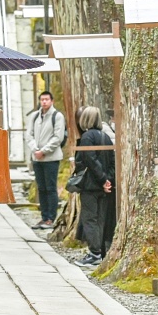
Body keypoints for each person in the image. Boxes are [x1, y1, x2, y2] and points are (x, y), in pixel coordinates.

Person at [71, 107, 115, 268]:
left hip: (91, 185)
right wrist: (108, 180)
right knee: (100, 219)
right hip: (104, 187)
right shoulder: (106, 137)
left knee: (89, 219)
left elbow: (90, 160)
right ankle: (100, 250)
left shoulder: (87, 137)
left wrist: (103, 179)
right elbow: (112, 162)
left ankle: (94, 253)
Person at [25, 91, 66, 229]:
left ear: (52, 101)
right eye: (42, 99)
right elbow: (29, 135)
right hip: (37, 158)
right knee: (41, 188)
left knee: (50, 187)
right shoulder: (35, 116)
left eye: (47, 99)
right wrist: (35, 149)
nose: (44, 102)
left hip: (51, 158)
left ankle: (51, 217)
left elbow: (57, 137)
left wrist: (44, 151)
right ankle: (44, 216)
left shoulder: (57, 116)